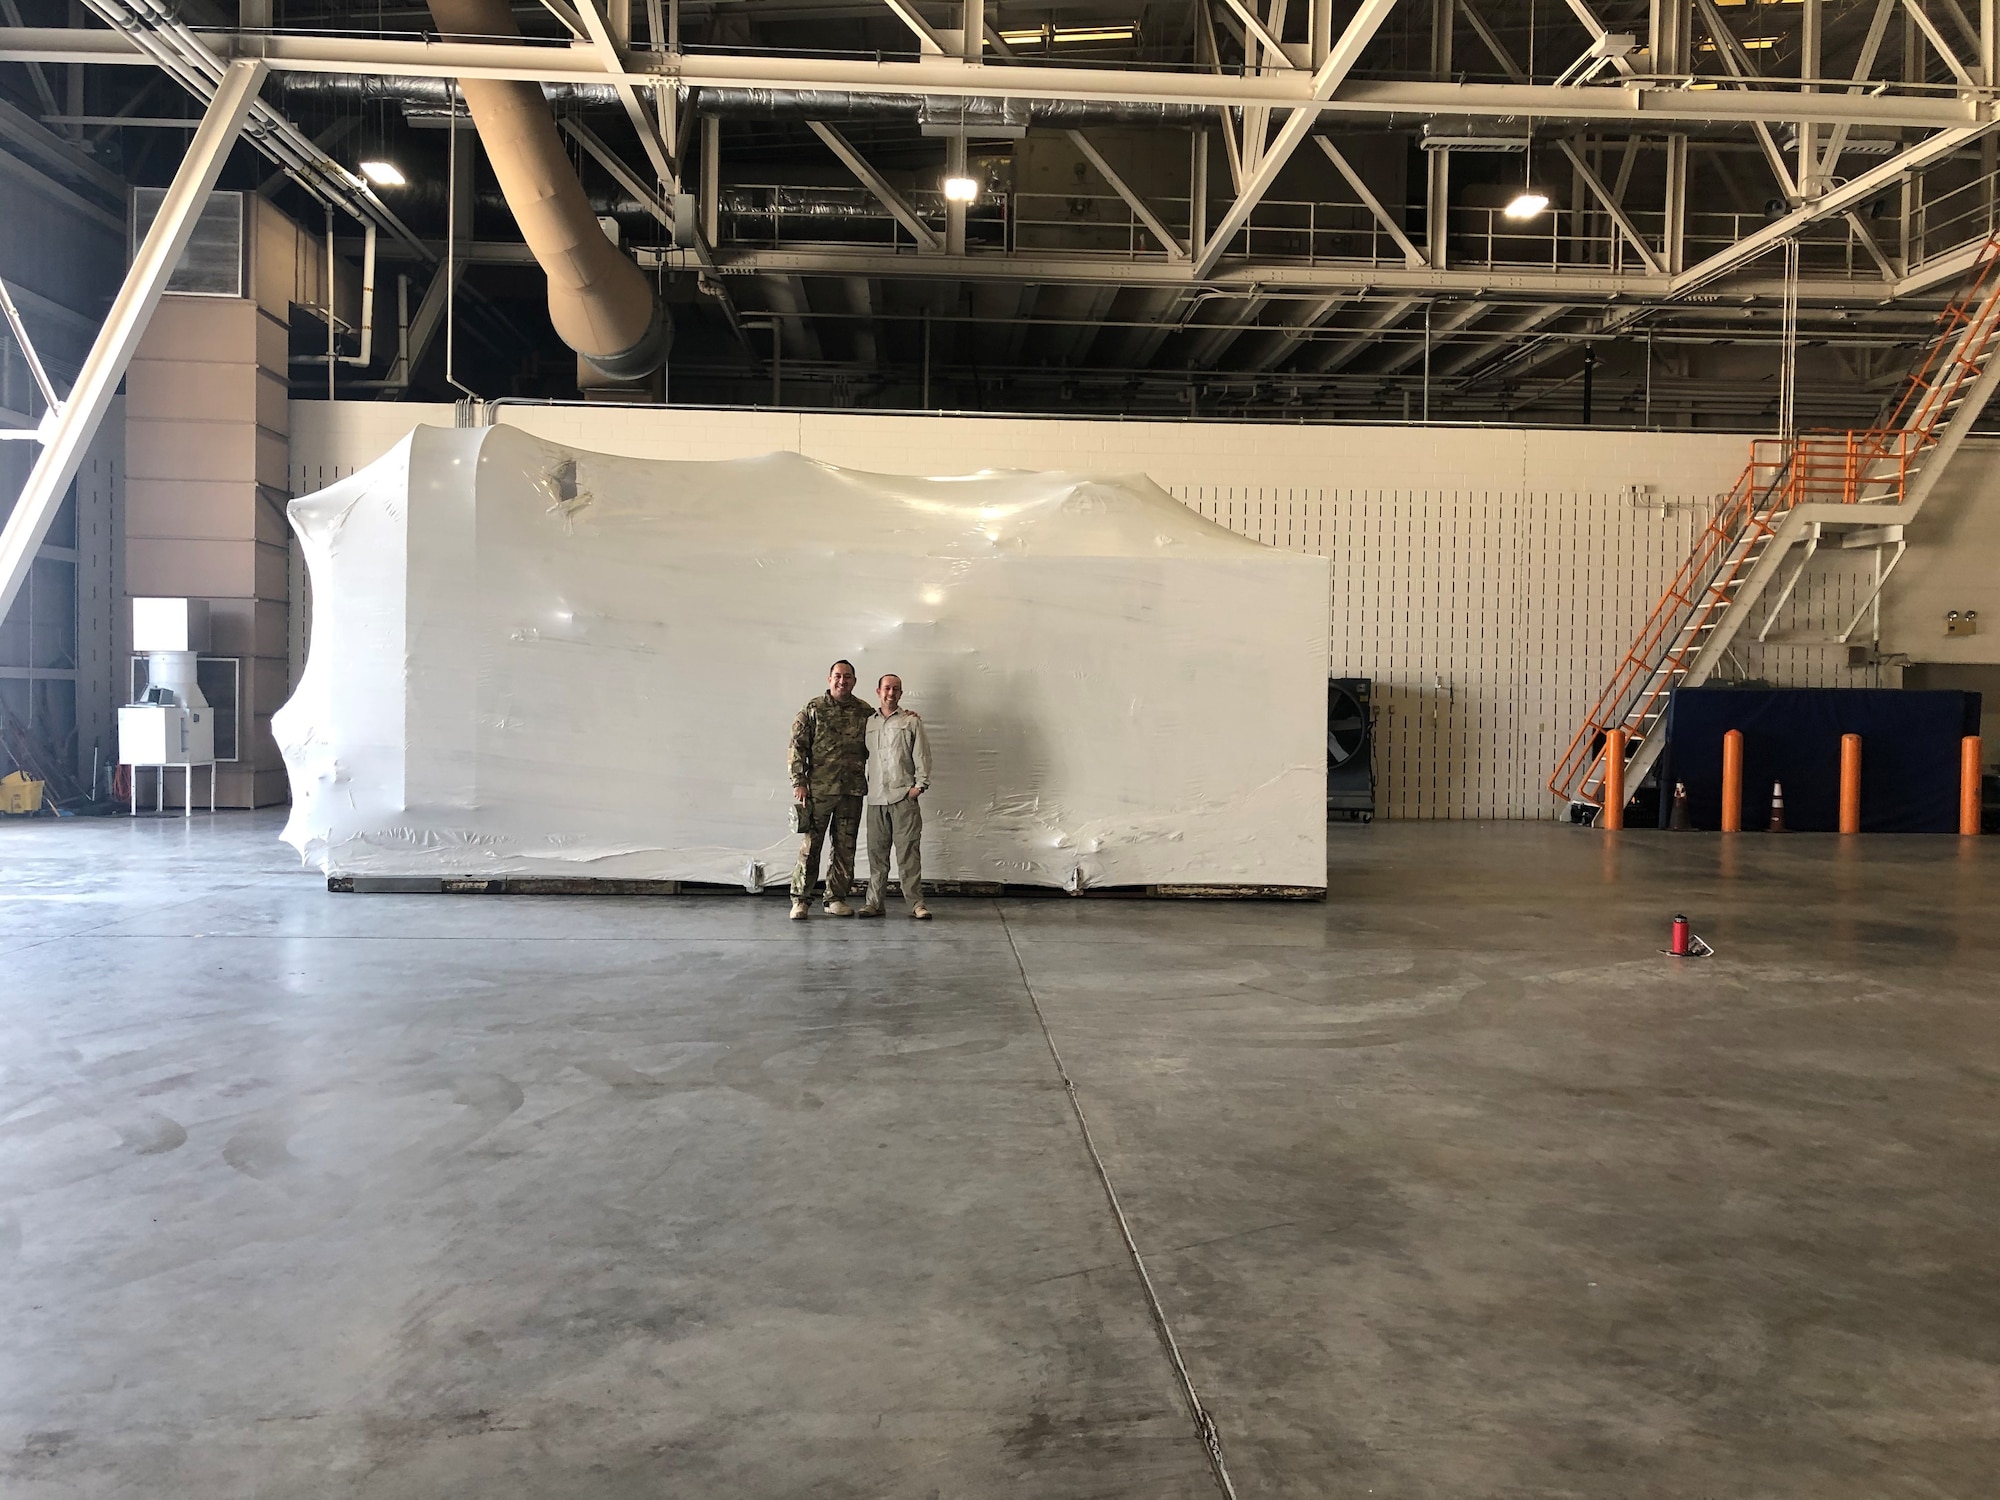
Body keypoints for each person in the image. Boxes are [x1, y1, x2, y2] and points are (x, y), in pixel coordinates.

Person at [787, 660, 874, 919]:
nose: (842, 681)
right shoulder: (813, 709)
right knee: (811, 845)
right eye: (838, 676)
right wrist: (798, 782)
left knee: (845, 847)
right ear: (829, 679)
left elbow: (885, 733)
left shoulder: (865, 712)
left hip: (852, 791)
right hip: (819, 790)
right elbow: (797, 746)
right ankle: (801, 899)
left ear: (854, 681)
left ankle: (835, 897)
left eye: (847, 677)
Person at [858, 673, 932, 921]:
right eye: (887, 688)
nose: (891, 693)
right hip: (876, 799)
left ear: (901, 693)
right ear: (878, 691)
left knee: (908, 854)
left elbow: (922, 755)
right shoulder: (867, 723)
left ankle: (916, 904)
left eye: (896, 689)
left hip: (903, 798)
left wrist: (919, 787)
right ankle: (874, 903)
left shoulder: (911, 722)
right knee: (877, 855)